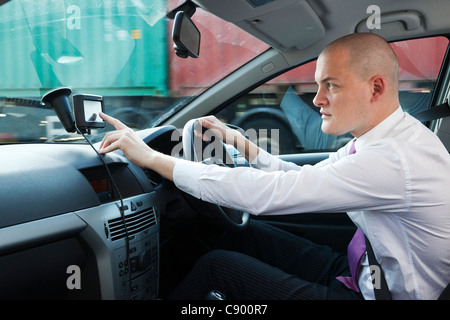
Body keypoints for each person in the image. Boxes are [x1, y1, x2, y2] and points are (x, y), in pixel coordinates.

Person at [98, 33, 450, 300]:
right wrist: (244, 145)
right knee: (244, 234)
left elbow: (270, 195)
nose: (317, 99)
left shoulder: (391, 160)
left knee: (216, 268)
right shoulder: (385, 139)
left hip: (379, 294)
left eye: (331, 85)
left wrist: (152, 159)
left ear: (375, 88)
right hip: (364, 272)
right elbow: (304, 178)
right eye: (317, 85)